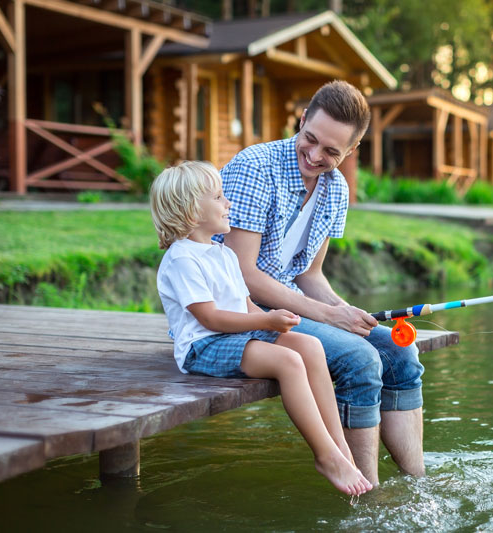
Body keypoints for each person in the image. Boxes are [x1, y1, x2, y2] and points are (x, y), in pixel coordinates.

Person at [218, 80, 425, 486]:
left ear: (350, 151)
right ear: (301, 120)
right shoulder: (254, 167)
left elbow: (309, 275)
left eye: (331, 151)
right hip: (238, 310)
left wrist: (346, 311)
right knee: (360, 360)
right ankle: (368, 497)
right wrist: (329, 315)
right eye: (309, 139)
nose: (314, 156)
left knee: (400, 352)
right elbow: (242, 275)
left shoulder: (337, 191)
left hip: (286, 305)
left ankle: (419, 482)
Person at [150, 160, 372, 497]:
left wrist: (277, 321)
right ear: (192, 211)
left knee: (310, 346)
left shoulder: (222, 253)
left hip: (235, 334)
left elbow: (244, 305)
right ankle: (325, 456)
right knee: (289, 362)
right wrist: (265, 322)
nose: (228, 203)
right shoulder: (183, 259)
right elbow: (210, 319)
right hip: (204, 346)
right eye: (219, 197)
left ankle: (341, 448)